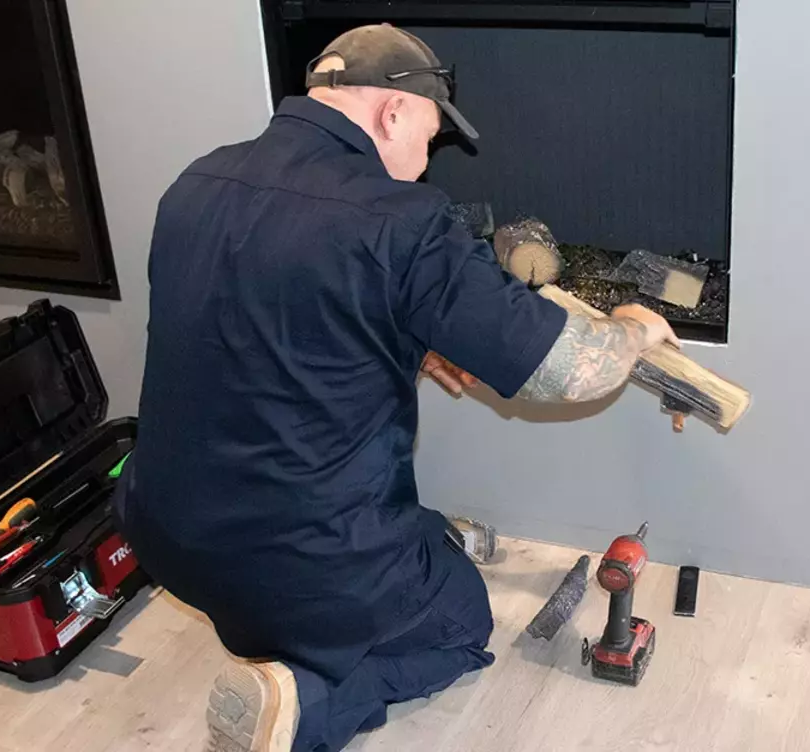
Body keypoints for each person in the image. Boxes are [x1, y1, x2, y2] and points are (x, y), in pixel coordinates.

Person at [114, 24, 679, 752]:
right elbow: (572, 369)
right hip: (298, 562)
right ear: (392, 113)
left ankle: (281, 627)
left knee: (382, 549)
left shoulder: (197, 182)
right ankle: (304, 705)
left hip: (160, 531)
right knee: (458, 621)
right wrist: (632, 327)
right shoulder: (401, 221)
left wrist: (406, 343)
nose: (423, 162)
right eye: (431, 137)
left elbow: (269, 334)